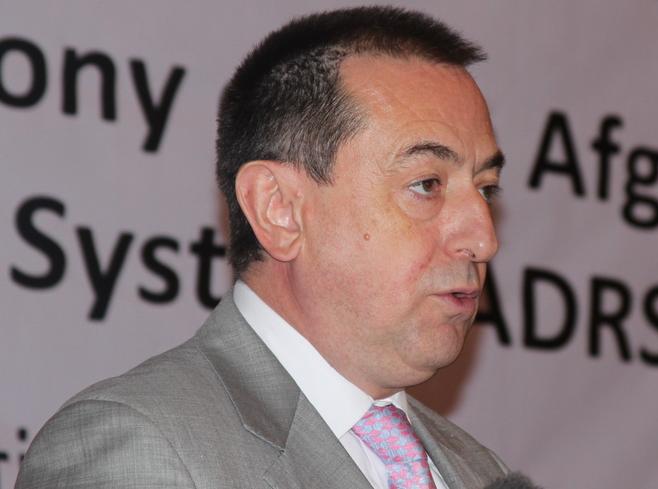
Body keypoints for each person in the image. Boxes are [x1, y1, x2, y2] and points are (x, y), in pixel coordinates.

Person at [16, 5, 507, 489]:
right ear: (280, 209)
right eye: (426, 184)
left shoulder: (484, 473)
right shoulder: (139, 444)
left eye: (486, 189)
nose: (484, 238)